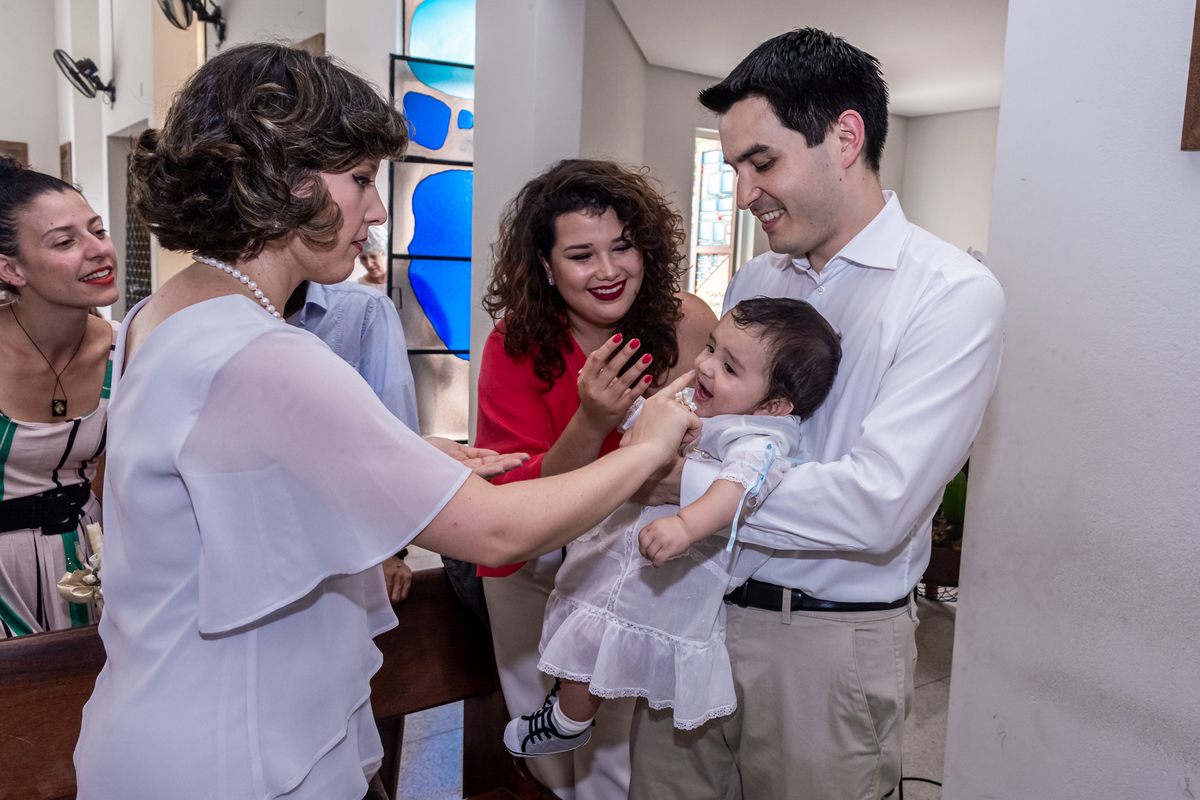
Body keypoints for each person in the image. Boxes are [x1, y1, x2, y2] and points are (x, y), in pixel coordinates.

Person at [72, 44, 698, 800]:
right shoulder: (266, 352)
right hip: (233, 750)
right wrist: (648, 447)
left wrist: (397, 455)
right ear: (282, 175)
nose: (375, 209)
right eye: (362, 180)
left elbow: (231, 473)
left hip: (164, 721)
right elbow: (496, 531)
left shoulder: (168, 313)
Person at [626, 28, 1007, 800]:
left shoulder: (950, 295)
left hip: (827, 647)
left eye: (761, 162)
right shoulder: (756, 278)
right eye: (735, 168)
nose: (741, 194)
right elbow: (717, 424)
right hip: (696, 607)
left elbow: (877, 508)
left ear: (844, 137)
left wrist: (680, 487)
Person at [503, 298, 841, 756]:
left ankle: (567, 721)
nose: (704, 366)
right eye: (710, 348)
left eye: (729, 367)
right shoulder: (713, 409)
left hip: (674, 569)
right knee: (588, 614)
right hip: (639, 553)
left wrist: (685, 525)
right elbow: (648, 426)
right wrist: (616, 407)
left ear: (775, 405)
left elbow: (737, 490)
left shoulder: (759, 440)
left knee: (601, 632)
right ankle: (568, 707)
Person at [476, 158, 716, 799]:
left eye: (623, 247)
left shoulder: (686, 322)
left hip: (639, 559)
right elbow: (515, 494)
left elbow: (724, 442)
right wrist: (593, 420)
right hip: (535, 565)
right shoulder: (516, 344)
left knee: (621, 754)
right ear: (547, 267)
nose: (608, 271)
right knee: (554, 755)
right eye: (582, 254)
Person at [0, 157, 119, 637]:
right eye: (66, 242)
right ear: (10, 268)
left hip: (90, 561)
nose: (98, 251)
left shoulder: (129, 350)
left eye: (98, 231)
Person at [283, 278, 421, 601]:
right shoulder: (219, 316)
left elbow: (395, 441)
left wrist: (390, 551)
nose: (375, 222)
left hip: (345, 551)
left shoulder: (364, 309)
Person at [356, 224, 388, 290]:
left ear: (386, 252)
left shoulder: (406, 282)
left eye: (373, 257)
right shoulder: (358, 288)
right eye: (363, 258)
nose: (369, 264)